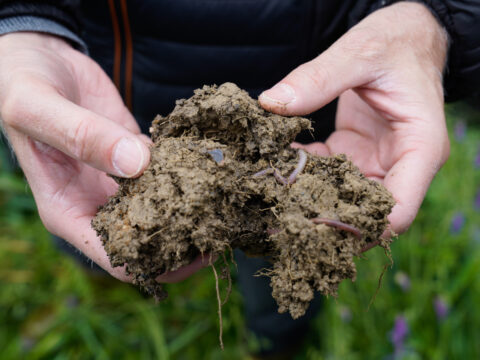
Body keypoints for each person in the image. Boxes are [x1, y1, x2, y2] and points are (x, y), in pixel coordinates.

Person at [0, 0, 479, 357]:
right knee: (111, 240)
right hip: (104, 108)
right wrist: (22, 26)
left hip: (322, 130)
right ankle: (113, 299)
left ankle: (275, 341)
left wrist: (433, 19)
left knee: (286, 267)